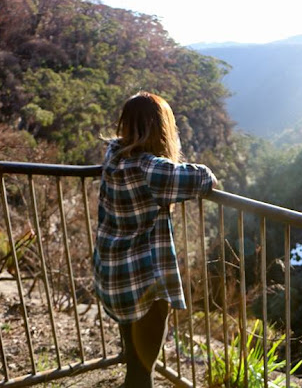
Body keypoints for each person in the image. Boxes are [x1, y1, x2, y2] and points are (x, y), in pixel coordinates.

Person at [93, 92, 216, 387]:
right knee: (142, 372)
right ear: (162, 127)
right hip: (142, 282)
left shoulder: (114, 154)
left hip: (112, 275)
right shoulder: (151, 169)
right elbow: (203, 178)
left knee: (134, 359)